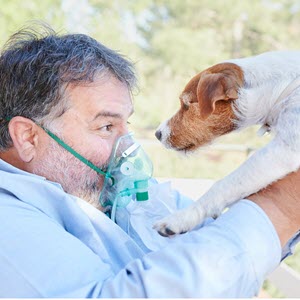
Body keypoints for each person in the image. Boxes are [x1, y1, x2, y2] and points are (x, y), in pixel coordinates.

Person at [0, 24, 299, 298]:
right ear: (27, 137)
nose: (128, 146)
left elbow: (217, 234)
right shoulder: (9, 224)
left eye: (126, 125)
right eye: (106, 127)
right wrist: (280, 208)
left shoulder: (113, 193)